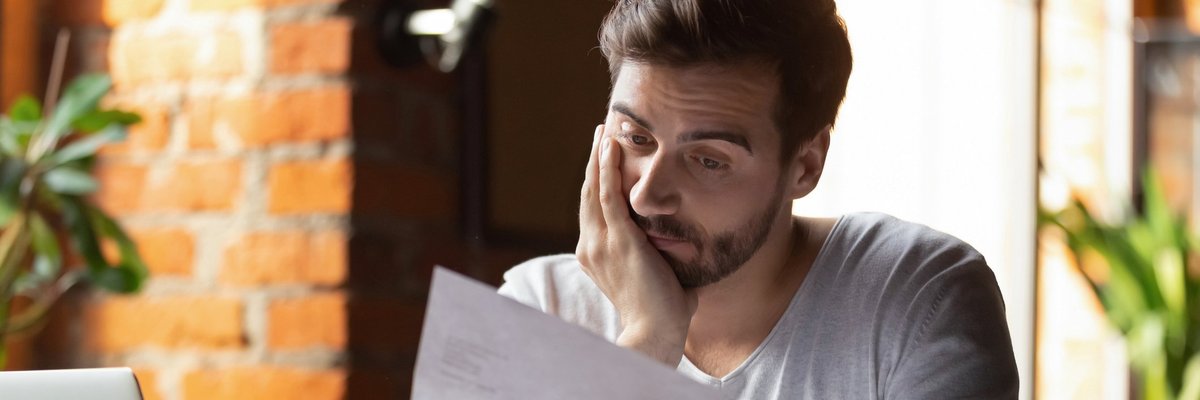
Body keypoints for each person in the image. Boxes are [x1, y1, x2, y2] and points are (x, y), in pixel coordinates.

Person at [497, 0, 1019, 398]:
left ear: (805, 165)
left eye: (708, 160)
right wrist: (648, 341)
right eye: (636, 139)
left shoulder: (915, 298)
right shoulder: (539, 307)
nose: (648, 194)